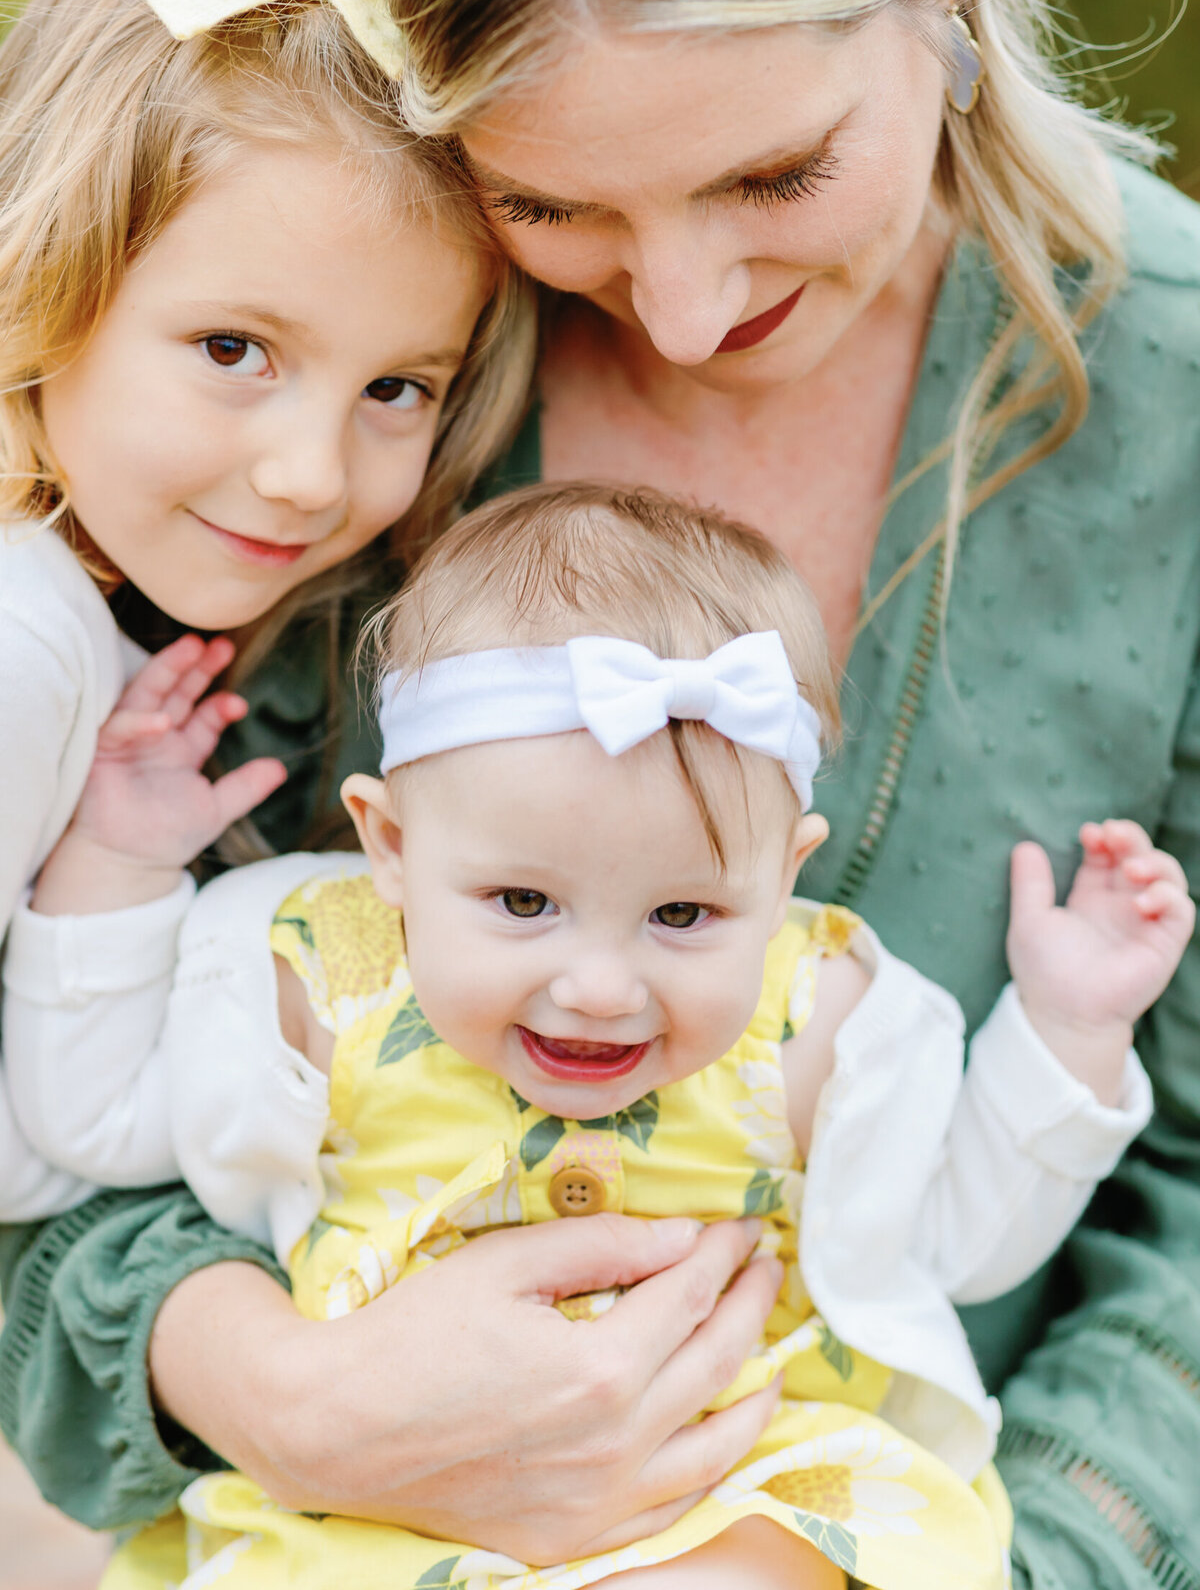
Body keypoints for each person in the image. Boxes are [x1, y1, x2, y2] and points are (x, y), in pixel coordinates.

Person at [3, 0, 1200, 1585]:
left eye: (775, 174)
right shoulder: (353, 354)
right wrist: (279, 1393)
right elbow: (70, 1095)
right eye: (549, 203)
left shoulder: (1172, 397)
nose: (691, 310)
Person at [10, 482, 1190, 1590]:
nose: (598, 988)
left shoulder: (820, 1020)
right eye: (523, 904)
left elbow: (951, 1243)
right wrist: (120, 865)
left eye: (683, 915)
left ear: (785, 879)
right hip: (379, 1502)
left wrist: (1070, 1031)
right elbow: (93, 1125)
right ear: (392, 845)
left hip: (725, 1480)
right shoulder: (310, 975)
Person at [0, 0, 532, 1217]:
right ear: (52, 268)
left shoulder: (96, 593)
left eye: (396, 389)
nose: (307, 476)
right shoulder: (25, 639)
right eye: (233, 349)